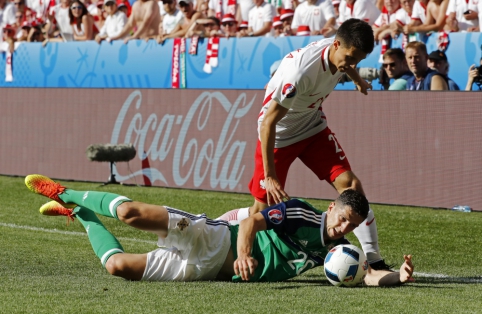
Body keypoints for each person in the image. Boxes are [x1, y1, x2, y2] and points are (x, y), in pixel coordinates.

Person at [218, 18, 390, 271]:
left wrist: (357, 79)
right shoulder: (300, 74)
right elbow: (268, 124)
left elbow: (344, 64)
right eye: (351, 58)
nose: (353, 64)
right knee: (262, 210)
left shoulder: (340, 54)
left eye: (358, 61)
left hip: (312, 128)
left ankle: (373, 259)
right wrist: (270, 176)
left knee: (352, 187)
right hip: (279, 136)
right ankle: (220, 226)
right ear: (336, 44)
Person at [24, 174, 414, 285]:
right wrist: (245, 253)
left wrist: (400, 276)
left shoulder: (338, 254)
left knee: (117, 268)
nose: (343, 227)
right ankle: (65, 190)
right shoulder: (302, 214)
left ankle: (81, 216)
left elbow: (369, 277)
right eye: (342, 218)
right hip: (212, 237)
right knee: (130, 213)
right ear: (332, 207)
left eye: (351, 225)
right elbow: (250, 221)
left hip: (206, 271)